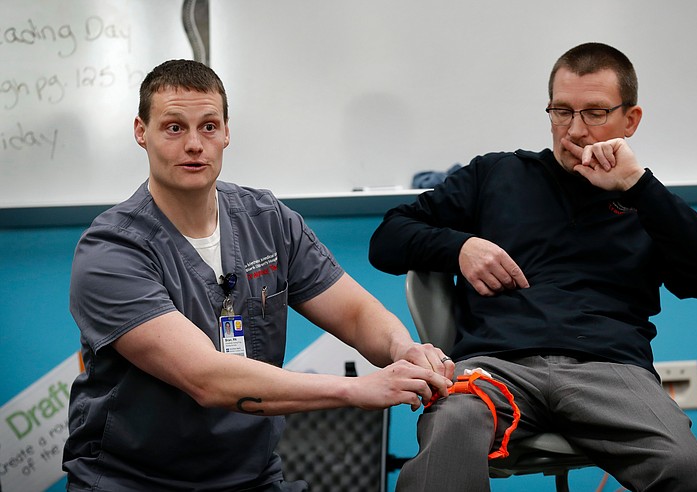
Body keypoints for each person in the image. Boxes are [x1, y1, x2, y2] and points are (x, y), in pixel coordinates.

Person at [63, 59, 454, 491]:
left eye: (208, 126)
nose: (194, 144)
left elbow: (357, 313)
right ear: (142, 132)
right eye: (174, 127)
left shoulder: (267, 221)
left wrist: (403, 349)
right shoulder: (111, 251)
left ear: (227, 132)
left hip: (251, 479)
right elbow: (207, 378)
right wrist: (356, 390)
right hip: (134, 481)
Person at [369, 42, 697, 491]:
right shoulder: (498, 175)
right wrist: (460, 246)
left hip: (611, 370)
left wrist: (637, 186)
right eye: (561, 111)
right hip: (496, 366)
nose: (575, 130)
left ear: (631, 120)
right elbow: (387, 239)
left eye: (595, 113)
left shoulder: (648, 202)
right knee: (447, 433)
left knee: (685, 467)